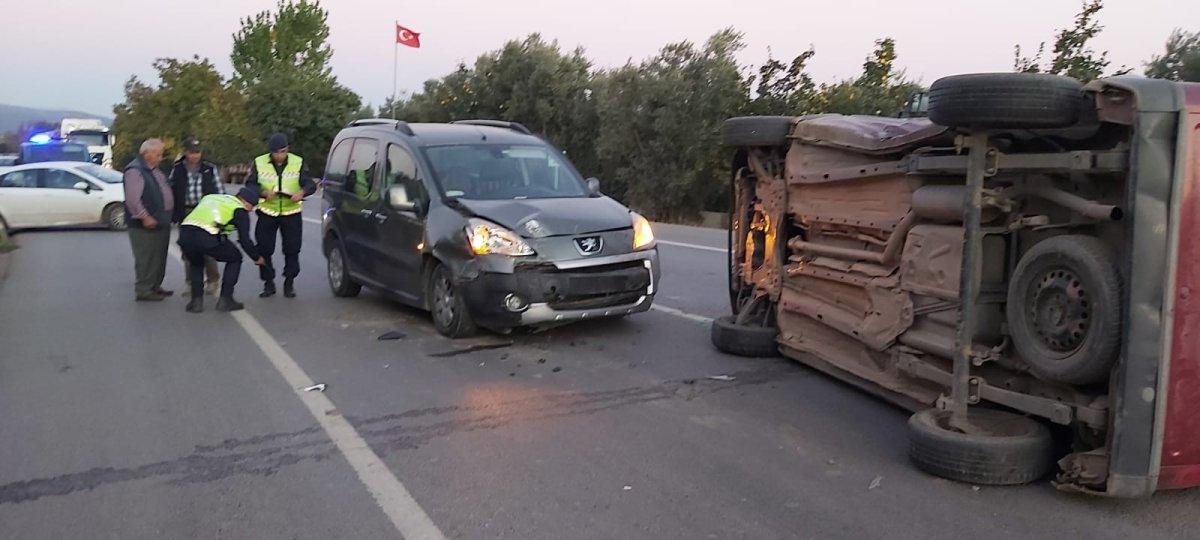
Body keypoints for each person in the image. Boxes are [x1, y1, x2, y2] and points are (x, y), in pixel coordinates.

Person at [178, 187, 266, 313]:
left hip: (185, 235)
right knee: (235, 258)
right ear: (246, 203)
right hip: (206, 236)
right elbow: (245, 241)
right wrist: (257, 258)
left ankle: (196, 302)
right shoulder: (239, 210)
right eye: (252, 207)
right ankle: (226, 300)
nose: (251, 210)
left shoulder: (211, 197)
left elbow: (213, 219)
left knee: (196, 264)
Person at [249, 133, 315, 298]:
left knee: (292, 249)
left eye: (283, 151)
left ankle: (289, 283)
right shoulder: (259, 162)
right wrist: (263, 192)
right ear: (270, 152)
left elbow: (310, 183)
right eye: (276, 152)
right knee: (264, 248)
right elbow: (250, 184)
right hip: (267, 211)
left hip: (291, 211)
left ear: (288, 149)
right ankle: (268, 283)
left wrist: (302, 191)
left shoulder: (297, 161)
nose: (279, 156)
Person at [170, 138, 224, 297]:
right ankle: (191, 283)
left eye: (198, 152)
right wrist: (173, 214)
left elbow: (220, 192)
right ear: (186, 152)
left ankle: (213, 281)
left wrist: (219, 214)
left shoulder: (209, 169)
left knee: (208, 249)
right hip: (186, 214)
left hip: (206, 213)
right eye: (192, 152)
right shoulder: (178, 169)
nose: (195, 156)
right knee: (188, 250)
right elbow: (172, 191)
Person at [123, 138, 175, 301]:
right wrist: (144, 216)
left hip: (160, 221)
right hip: (144, 224)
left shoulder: (154, 170)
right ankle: (144, 289)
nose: (161, 157)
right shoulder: (135, 170)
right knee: (146, 257)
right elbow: (133, 199)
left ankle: (155, 286)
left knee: (159, 256)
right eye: (158, 154)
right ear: (147, 154)